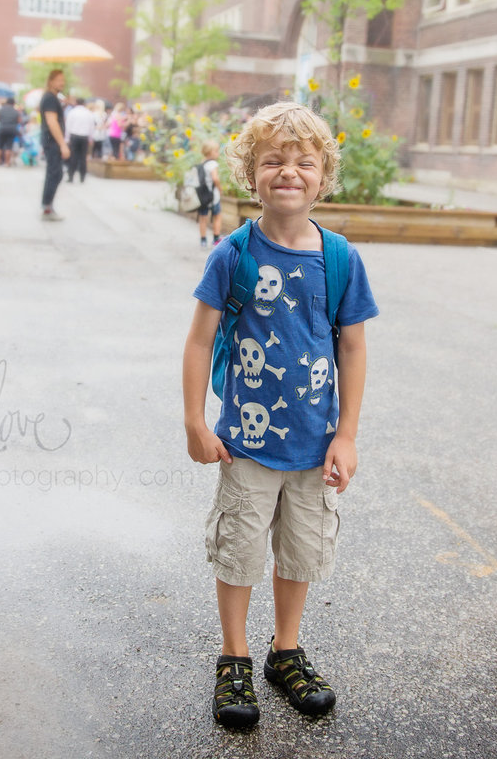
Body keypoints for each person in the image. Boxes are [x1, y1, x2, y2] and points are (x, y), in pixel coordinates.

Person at [181, 102, 378, 729]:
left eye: (303, 163)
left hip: (314, 446)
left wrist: (346, 434)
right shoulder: (232, 256)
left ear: (323, 176)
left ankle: (284, 651)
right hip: (246, 443)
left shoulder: (340, 258)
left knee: (300, 554)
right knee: (238, 551)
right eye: (273, 161)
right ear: (250, 173)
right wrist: (195, 420)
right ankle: (234, 657)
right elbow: (197, 340)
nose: (288, 172)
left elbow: (352, 344)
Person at [38, 69, 69, 220]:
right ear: (51, 81)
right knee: (54, 173)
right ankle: (47, 207)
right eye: (59, 80)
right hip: (52, 141)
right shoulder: (50, 98)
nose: (62, 82)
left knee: (56, 173)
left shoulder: (52, 98)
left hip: (52, 141)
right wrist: (62, 144)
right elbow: (52, 121)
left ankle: (47, 205)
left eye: (63, 80)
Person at [194, 140, 224, 248]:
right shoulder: (213, 164)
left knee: (203, 218)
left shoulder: (202, 164)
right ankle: (216, 238)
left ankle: (203, 240)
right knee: (217, 216)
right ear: (210, 152)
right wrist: (220, 188)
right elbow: (215, 178)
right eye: (216, 151)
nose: (218, 153)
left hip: (202, 196)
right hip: (213, 196)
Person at [64, 94, 94, 183]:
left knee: (73, 156)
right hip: (84, 136)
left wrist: (67, 138)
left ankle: (71, 176)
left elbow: (68, 126)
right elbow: (91, 127)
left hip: (74, 136)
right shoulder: (88, 113)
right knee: (83, 157)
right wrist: (90, 138)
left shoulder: (72, 112)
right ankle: (82, 176)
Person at [0, 95, 21, 167]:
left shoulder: (1, 109)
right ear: (13, 103)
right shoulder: (15, 111)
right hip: (12, 130)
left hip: (2, 129)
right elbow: (19, 121)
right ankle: (7, 163)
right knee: (8, 147)